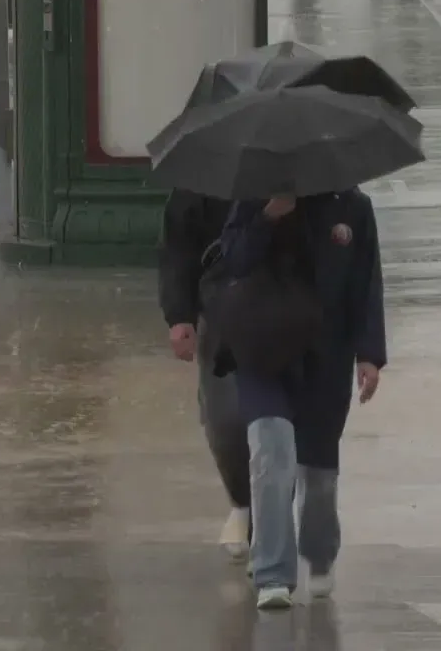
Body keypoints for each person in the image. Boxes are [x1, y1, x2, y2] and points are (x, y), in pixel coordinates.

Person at [216, 188, 386, 611]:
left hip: (327, 357)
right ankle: (272, 572)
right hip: (263, 350)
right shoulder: (254, 196)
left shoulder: (353, 207)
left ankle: (320, 553)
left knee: (319, 470)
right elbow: (233, 260)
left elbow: (367, 283)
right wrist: (269, 216)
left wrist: (369, 354)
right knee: (271, 452)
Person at [157, 187, 252, 560]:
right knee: (225, 417)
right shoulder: (199, 182)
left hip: (286, 310)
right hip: (220, 310)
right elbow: (177, 250)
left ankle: (275, 516)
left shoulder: (303, 173)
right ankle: (242, 501)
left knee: (280, 421)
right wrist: (179, 316)